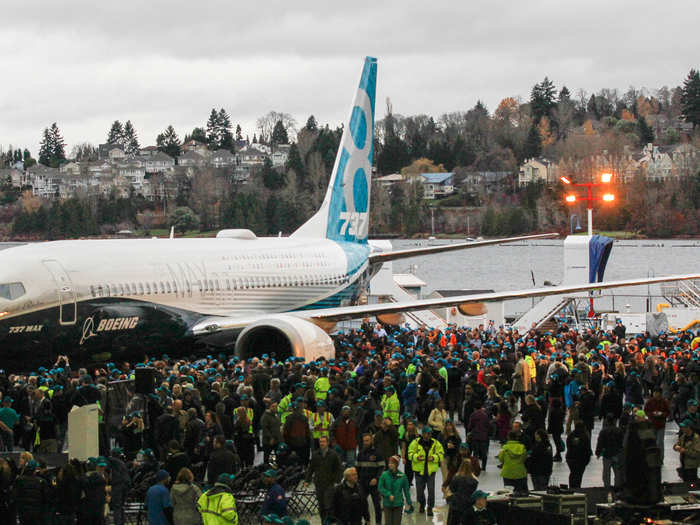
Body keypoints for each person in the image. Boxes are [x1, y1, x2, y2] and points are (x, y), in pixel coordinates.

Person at [304, 435, 342, 523]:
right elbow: (311, 468)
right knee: (321, 506)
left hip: (330, 484)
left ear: (328, 443)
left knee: (328, 505)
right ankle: (323, 522)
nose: (322, 443)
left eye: (324, 442)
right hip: (319, 484)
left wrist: (337, 480)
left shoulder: (333, 454)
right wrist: (307, 480)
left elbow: (339, 468)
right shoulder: (315, 454)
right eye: (320, 442)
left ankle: (330, 522)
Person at [408, 426, 444, 516]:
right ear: (422, 433)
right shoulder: (415, 442)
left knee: (431, 491)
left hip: (431, 472)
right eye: (426, 433)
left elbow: (441, 454)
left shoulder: (435, 443)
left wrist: (434, 458)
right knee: (419, 491)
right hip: (418, 471)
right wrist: (417, 457)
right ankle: (421, 504)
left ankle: (430, 507)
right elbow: (410, 453)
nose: (428, 435)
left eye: (430, 433)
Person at [356, 432, 384, 524]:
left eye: (367, 440)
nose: (366, 443)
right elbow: (357, 468)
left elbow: (381, 468)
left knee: (377, 505)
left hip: (374, 483)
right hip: (363, 483)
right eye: (364, 441)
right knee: (362, 502)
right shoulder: (360, 453)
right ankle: (367, 520)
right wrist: (357, 480)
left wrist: (376, 478)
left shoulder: (377, 452)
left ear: (371, 440)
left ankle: (378, 522)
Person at [378, 456, 412, 525]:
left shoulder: (403, 476)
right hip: (387, 504)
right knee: (388, 523)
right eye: (389, 463)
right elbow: (380, 488)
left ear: (397, 464)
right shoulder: (384, 475)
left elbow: (406, 490)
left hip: (398, 504)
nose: (390, 464)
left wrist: (409, 502)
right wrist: (388, 494)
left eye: (392, 463)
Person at [14, 459, 49, 525]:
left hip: (23, 512)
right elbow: (46, 498)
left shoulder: (19, 480)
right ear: (35, 469)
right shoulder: (41, 481)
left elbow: (15, 495)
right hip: (37, 513)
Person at [595, 414, 624, 490]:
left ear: (607, 421)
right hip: (617, 453)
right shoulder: (619, 430)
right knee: (617, 472)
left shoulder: (603, 431)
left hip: (607, 454)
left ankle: (607, 487)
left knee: (606, 472)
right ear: (615, 421)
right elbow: (622, 442)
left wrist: (598, 453)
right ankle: (617, 486)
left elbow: (600, 443)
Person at [446, 460, 478, 525]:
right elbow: (473, 490)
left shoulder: (456, 478)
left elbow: (452, 489)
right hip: (468, 503)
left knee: (454, 521)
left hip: (456, 503)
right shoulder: (474, 480)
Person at [644, 388, 671, 463]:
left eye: (658, 393)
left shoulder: (664, 402)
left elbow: (668, 411)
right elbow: (646, 410)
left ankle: (660, 458)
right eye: (655, 393)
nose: (656, 394)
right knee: (652, 442)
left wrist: (662, 414)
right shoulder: (650, 401)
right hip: (652, 424)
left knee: (660, 442)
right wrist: (652, 414)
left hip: (661, 425)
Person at [566, 419, 592, 489]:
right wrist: (587, 460)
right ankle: (577, 488)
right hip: (581, 459)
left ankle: (571, 487)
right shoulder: (585, 436)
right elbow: (587, 449)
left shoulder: (571, 435)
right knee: (579, 475)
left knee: (573, 473)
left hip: (571, 458)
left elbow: (568, 446)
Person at [467, 401, 490, 470]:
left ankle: (476, 466)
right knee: (484, 453)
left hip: (475, 436)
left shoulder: (473, 415)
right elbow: (488, 425)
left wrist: (469, 432)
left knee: (475, 453)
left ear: (474, 408)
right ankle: (484, 467)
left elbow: (470, 426)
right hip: (484, 436)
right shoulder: (485, 415)